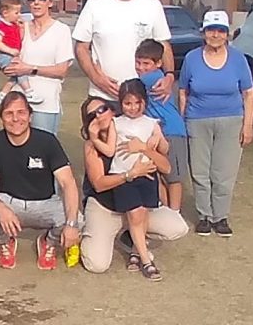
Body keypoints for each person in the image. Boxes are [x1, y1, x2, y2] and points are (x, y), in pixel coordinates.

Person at [79, 96, 187, 275]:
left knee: (178, 227)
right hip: (105, 206)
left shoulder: (134, 132)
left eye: (102, 109)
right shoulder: (92, 145)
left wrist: (145, 148)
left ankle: (131, 236)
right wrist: (129, 175)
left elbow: (166, 166)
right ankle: (88, 229)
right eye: (92, 115)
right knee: (97, 264)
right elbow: (98, 184)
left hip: (136, 203)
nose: (99, 116)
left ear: (113, 111)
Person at [0, 92, 81, 270]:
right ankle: (5, 241)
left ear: (30, 116)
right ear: (1, 118)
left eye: (21, 112)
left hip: (45, 203)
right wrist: (0, 207)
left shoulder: (47, 141)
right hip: (10, 202)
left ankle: (48, 242)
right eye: (9, 113)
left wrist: (71, 225)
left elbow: (68, 183)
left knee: (77, 219)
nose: (15, 118)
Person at [179, 10, 253, 238]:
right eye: (211, 30)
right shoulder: (192, 58)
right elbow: (184, 91)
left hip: (231, 120)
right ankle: (204, 216)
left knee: (224, 172)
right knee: (201, 172)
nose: (215, 35)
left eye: (220, 31)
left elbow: (249, 93)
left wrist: (248, 125)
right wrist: (183, 122)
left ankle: (220, 216)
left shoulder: (238, 58)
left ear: (227, 34)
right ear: (204, 33)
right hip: (197, 119)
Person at [87, 81, 167, 280]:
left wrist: (155, 142)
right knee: (135, 214)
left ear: (144, 102)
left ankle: (134, 250)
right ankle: (146, 261)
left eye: (136, 103)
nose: (132, 107)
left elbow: (164, 151)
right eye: (127, 103)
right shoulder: (117, 123)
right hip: (124, 174)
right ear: (120, 104)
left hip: (147, 173)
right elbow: (110, 150)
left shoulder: (152, 123)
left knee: (144, 213)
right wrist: (94, 138)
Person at [72, 0, 175, 102]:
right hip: (103, 96)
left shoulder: (152, 5)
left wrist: (170, 76)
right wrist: (97, 80)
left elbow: (164, 45)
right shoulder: (94, 6)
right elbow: (81, 48)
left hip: (141, 99)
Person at [1, 0, 74, 135]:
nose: (36, 3)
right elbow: (0, 52)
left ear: (50, 2)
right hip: (18, 103)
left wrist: (29, 69)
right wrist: (5, 66)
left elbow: (61, 70)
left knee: (41, 153)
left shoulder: (61, 31)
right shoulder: (21, 27)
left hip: (46, 102)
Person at [135, 39, 188, 211]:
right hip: (156, 132)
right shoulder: (152, 77)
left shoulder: (153, 78)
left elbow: (129, 89)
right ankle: (165, 210)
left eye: (146, 63)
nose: (141, 67)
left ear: (159, 63)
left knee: (173, 176)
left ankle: (175, 212)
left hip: (172, 130)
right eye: (138, 62)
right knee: (158, 174)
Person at [0, 0, 40, 105]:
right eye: (16, 13)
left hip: (13, 55)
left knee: (15, 77)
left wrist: (22, 28)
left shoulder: (14, 25)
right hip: (5, 56)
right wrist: (9, 51)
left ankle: (2, 94)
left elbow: (20, 39)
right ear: (5, 13)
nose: (19, 15)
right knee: (20, 72)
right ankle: (29, 92)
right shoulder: (1, 27)